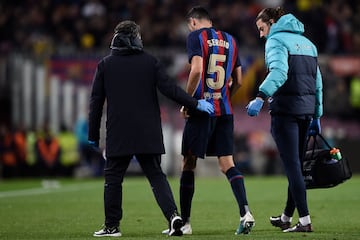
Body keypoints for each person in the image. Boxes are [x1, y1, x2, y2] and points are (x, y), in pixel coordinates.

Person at [88, 20, 214, 237]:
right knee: (156, 176)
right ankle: (174, 216)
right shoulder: (150, 62)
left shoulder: (105, 65)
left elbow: (96, 103)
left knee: (113, 179)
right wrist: (195, 103)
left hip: (120, 132)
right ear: (135, 38)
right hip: (149, 130)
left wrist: (92, 134)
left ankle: (112, 226)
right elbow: (171, 90)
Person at [163, 6, 255, 235]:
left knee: (189, 163)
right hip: (224, 111)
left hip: (202, 111)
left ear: (193, 22)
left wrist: (188, 102)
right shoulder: (231, 40)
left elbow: (196, 70)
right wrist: (224, 97)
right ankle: (245, 212)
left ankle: (185, 223)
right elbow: (240, 81)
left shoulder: (195, 37)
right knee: (227, 164)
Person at [247, 7, 323, 232]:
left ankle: (305, 221)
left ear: (271, 22)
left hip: (286, 112)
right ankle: (287, 217)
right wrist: (317, 115)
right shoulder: (309, 44)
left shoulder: (275, 41)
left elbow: (279, 72)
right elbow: (317, 82)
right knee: (297, 166)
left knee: (292, 167)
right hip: (306, 112)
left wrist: (260, 96)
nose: (262, 35)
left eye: (262, 29)